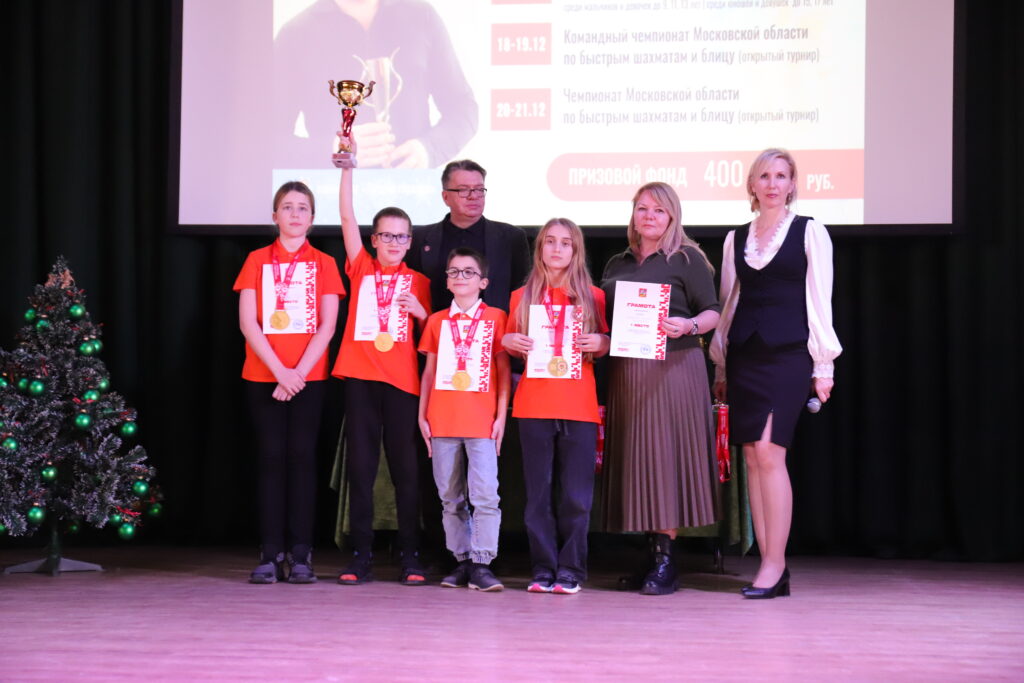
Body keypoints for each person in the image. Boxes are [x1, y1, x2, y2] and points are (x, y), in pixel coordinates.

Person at [710, 149, 842, 599]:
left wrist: (823, 365)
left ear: (792, 184)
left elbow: (820, 300)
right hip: (745, 356)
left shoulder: (809, 232)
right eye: (764, 175)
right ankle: (770, 565)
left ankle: (775, 563)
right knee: (753, 457)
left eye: (781, 176)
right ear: (752, 184)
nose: (772, 183)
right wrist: (721, 363)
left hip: (788, 355)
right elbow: (729, 303)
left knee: (769, 452)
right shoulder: (735, 239)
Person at [600, 181, 721, 596]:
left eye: (659, 210)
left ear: (672, 217)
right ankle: (652, 556)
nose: (649, 216)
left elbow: (713, 312)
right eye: (642, 209)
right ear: (633, 214)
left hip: (674, 369)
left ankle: (667, 560)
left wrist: (688, 325)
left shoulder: (687, 257)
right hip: (628, 372)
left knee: (664, 460)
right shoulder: (616, 263)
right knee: (637, 461)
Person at [331, 138, 432, 585]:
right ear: (374, 240)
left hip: (403, 385)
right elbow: (346, 217)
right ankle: (361, 555)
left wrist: (422, 313)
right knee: (362, 469)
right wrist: (348, 169)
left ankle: (410, 555)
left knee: (407, 471)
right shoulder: (360, 267)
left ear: (410, 242)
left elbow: (435, 339)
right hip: (360, 379)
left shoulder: (421, 282)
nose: (393, 242)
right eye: (386, 235)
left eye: (401, 236)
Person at [234, 181, 344, 584]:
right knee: (270, 458)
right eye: (287, 207)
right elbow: (248, 322)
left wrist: (296, 374)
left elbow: (328, 325)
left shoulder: (325, 263)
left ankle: (300, 553)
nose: (295, 214)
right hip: (264, 374)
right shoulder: (256, 260)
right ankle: (269, 551)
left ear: (312, 219)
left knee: (301, 458)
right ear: (274, 215)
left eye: (303, 208)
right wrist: (280, 372)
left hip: (308, 377)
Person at [501, 218, 610, 594]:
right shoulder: (521, 297)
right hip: (533, 405)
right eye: (550, 241)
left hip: (579, 406)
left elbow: (606, 342)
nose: (558, 249)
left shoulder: (593, 296)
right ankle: (543, 569)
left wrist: (601, 342)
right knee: (538, 495)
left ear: (577, 250)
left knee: (576, 497)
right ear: (540, 249)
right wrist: (508, 341)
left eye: (566, 243)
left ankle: (571, 570)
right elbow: (509, 343)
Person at [273, 0, 478, 169]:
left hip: (413, 194)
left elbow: (464, 108)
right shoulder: (296, 33)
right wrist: (334, 152)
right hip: (335, 197)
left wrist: (429, 149)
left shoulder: (421, 16)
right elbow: (270, 141)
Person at [418, 248, 511, 591]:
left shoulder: (497, 318)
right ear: (446, 281)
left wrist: (501, 416)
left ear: (483, 282)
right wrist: (422, 414)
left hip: (482, 422)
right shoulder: (437, 321)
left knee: (485, 495)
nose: (460, 277)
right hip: (442, 419)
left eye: (468, 272)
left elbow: (504, 371)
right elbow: (429, 372)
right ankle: (462, 561)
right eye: (454, 272)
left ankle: (482, 563)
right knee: (450, 497)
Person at [407, 159, 531, 313]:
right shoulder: (419, 239)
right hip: (433, 326)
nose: (473, 196)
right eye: (463, 190)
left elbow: (523, 295)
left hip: (496, 327)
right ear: (445, 197)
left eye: (479, 189)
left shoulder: (512, 238)